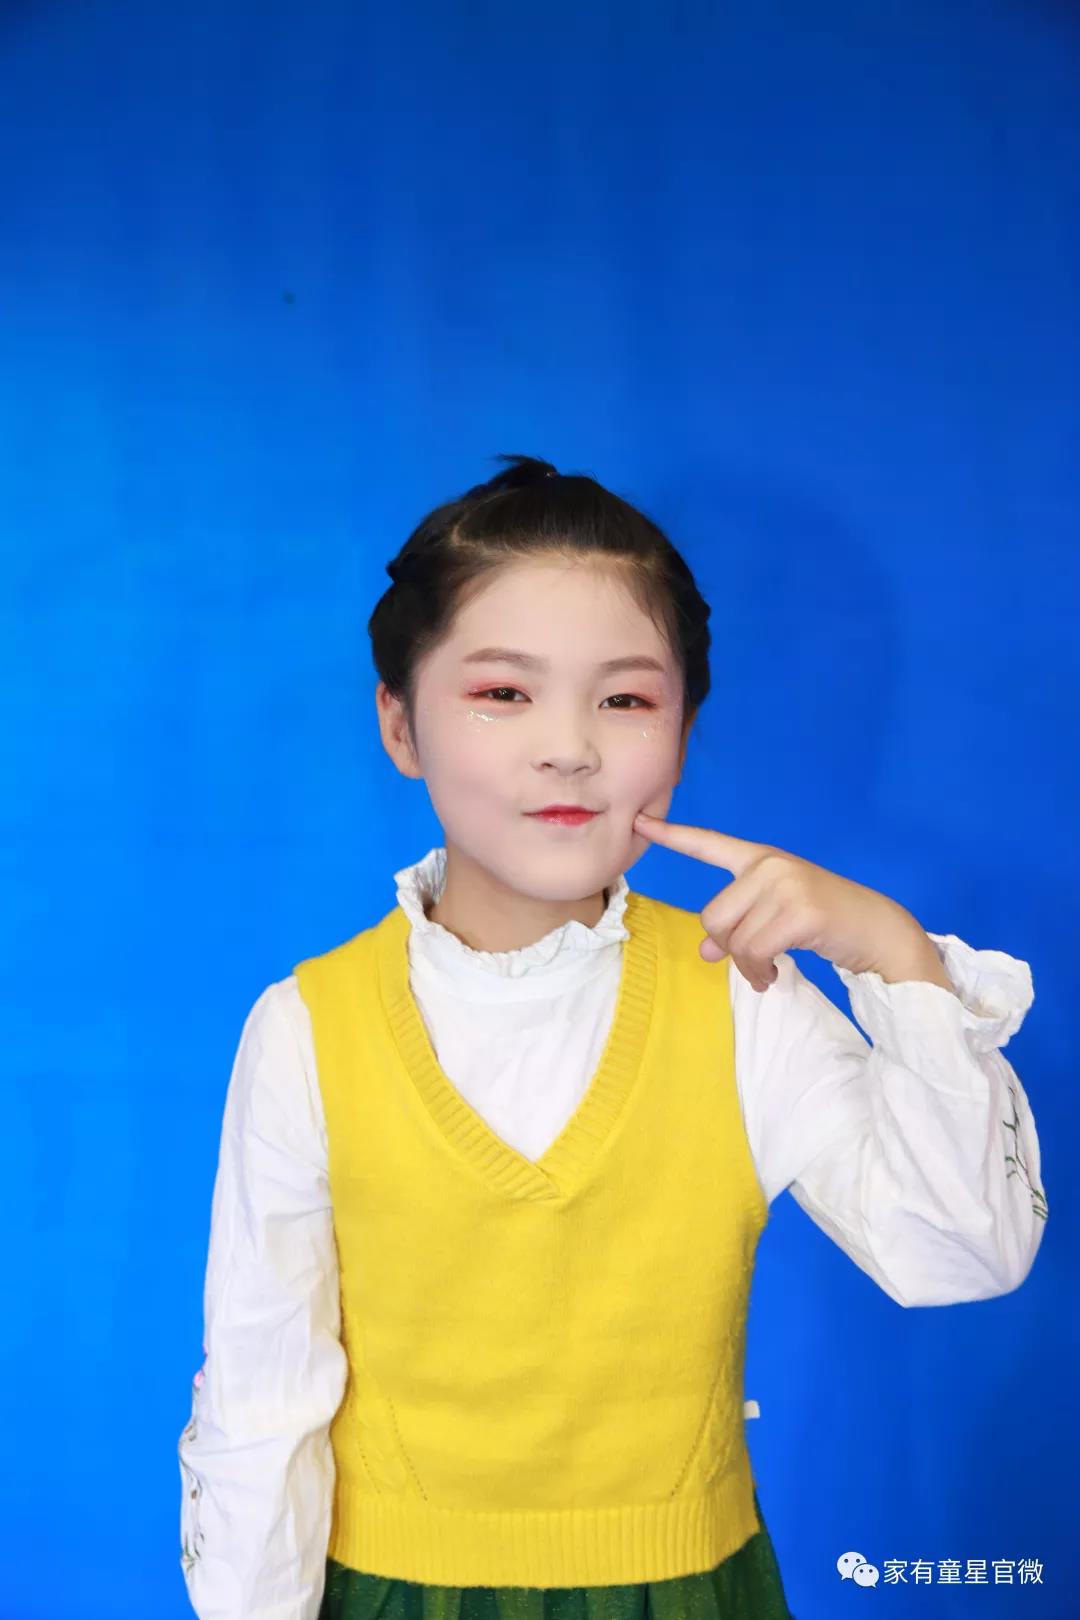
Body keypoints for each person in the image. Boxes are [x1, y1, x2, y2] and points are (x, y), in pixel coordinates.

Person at [178, 454, 1046, 1620]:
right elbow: (260, 1396)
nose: (569, 747)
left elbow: (965, 1250)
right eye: (504, 693)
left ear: (684, 726)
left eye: (625, 700)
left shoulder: (740, 995)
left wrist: (891, 953)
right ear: (399, 722)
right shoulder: (306, 1028)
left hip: (687, 1593)